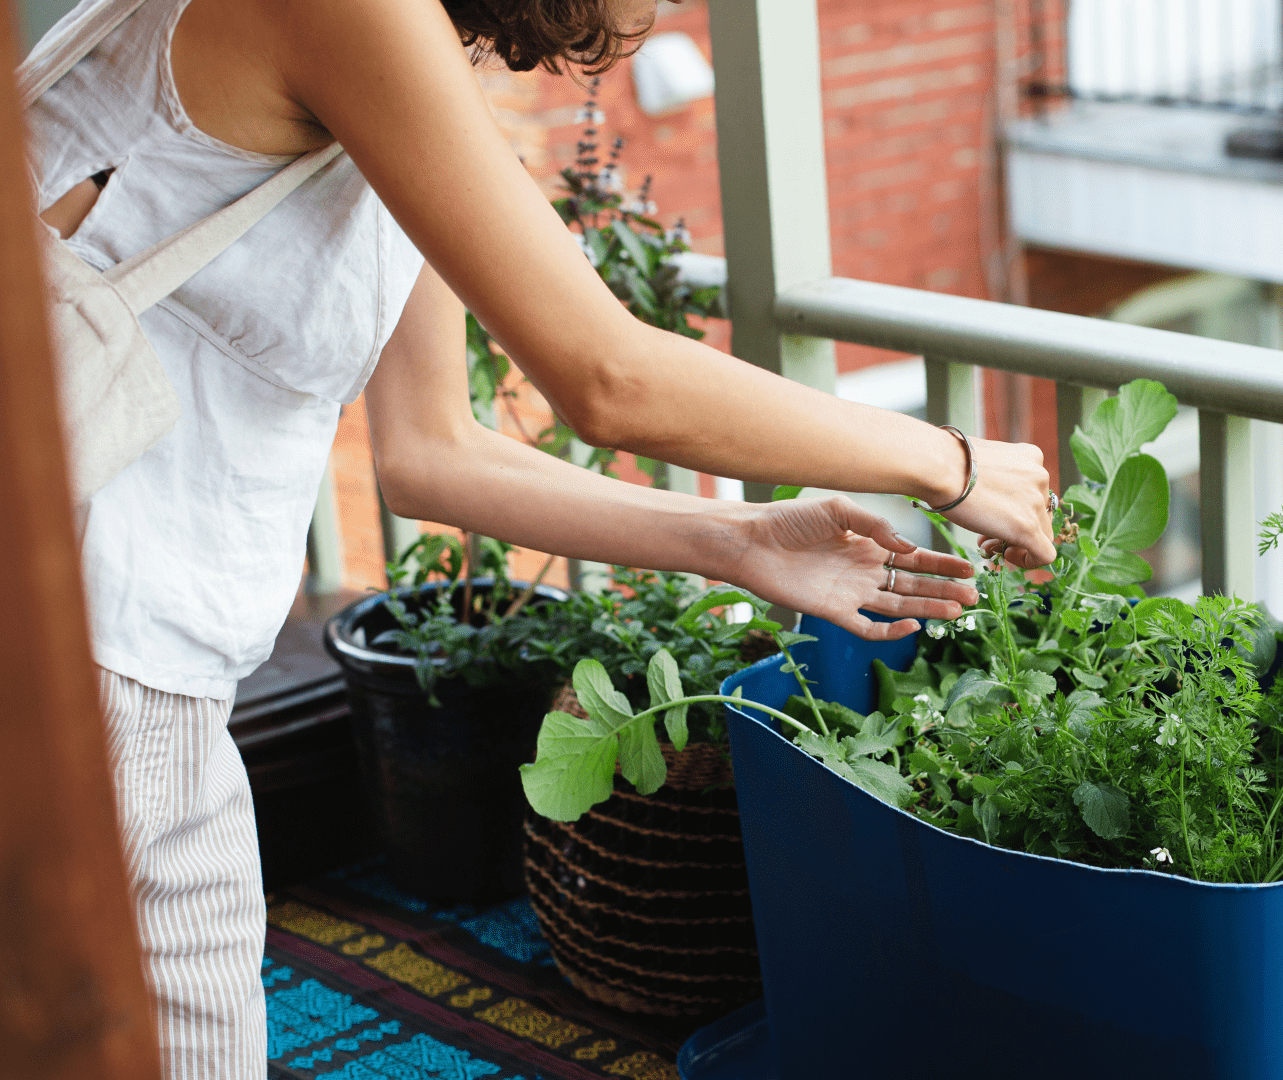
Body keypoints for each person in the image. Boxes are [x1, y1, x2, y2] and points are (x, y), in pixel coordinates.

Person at [24, 0, 1057, 1073]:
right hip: (74, 647)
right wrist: (950, 462)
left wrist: (744, 537)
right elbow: (607, 375)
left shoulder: (402, 70)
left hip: (146, 672)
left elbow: (434, 451)